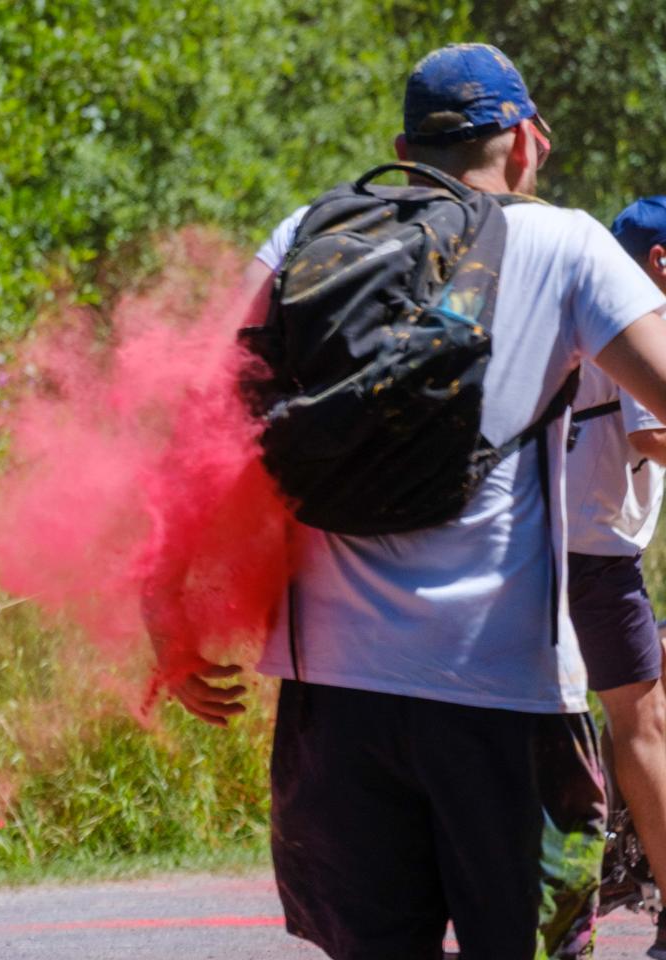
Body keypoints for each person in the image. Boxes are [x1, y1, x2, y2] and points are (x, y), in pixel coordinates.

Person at [153, 44, 666, 959]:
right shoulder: (567, 242)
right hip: (503, 691)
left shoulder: (308, 230)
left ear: (402, 146)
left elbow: (202, 425)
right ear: (523, 143)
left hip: (332, 696)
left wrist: (165, 611)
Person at [567, 195, 666, 958]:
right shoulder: (639, 323)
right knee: (642, 729)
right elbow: (654, 433)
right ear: (659, 262)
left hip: (555, 549)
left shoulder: (584, 314)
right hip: (596, 555)